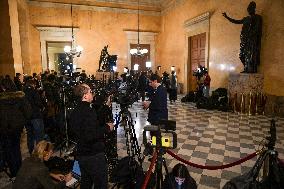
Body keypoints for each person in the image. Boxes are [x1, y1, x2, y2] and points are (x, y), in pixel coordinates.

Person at [69, 84, 114, 189]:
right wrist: (107, 127)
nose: (92, 93)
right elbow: (91, 135)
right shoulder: (88, 111)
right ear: (84, 96)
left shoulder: (75, 111)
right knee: (101, 184)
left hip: (81, 153)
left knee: (86, 182)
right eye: (90, 91)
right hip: (93, 155)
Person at [0, 77, 32, 178]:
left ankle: (14, 173)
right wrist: (22, 121)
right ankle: (19, 170)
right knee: (16, 148)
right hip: (17, 128)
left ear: (3, 87)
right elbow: (28, 112)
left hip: (4, 129)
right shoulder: (20, 97)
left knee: (9, 150)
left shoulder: (1, 99)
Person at [222, 1, 262, 73]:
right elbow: (236, 21)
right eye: (248, 9)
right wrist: (227, 17)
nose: (249, 10)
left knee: (250, 55)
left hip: (252, 40)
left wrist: (250, 35)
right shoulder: (246, 19)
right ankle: (246, 68)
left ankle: (250, 69)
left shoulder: (258, 17)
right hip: (244, 39)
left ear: (254, 9)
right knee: (241, 55)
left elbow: (257, 29)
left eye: (250, 9)